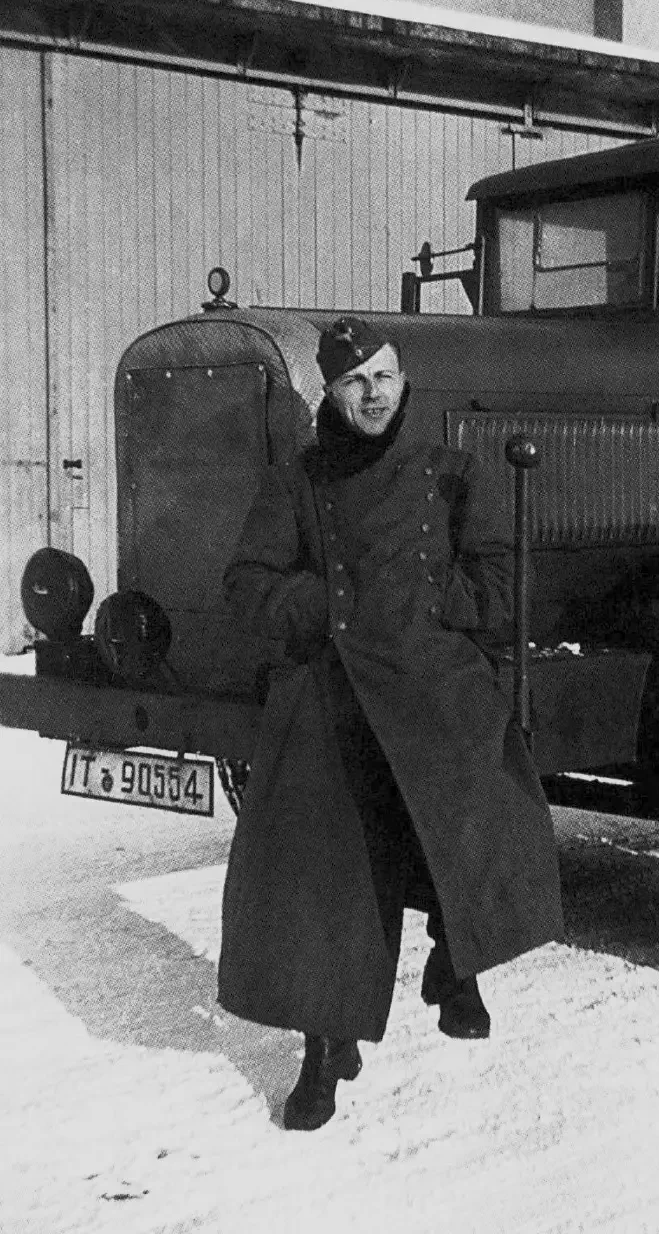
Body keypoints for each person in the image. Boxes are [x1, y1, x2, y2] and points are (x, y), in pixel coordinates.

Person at [217, 316, 564, 1132]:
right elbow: (247, 582)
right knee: (323, 871)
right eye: (354, 381)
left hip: (432, 677)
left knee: (480, 801)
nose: (372, 395)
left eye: (384, 376)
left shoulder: (450, 474)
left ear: (404, 381)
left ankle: (456, 961)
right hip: (333, 685)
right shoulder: (296, 482)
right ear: (329, 393)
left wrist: (433, 605)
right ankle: (324, 1048)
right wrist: (329, 608)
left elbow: (499, 582)